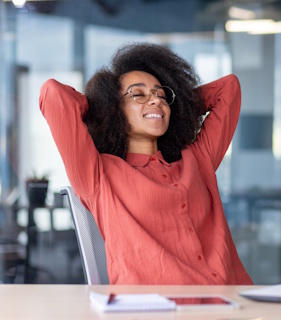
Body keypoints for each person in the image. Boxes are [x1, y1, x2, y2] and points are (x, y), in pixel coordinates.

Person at [39, 42, 253, 285]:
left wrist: (180, 100)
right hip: (154, 307)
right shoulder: (98, 175)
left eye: (162, 95)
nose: (155, 101)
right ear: (114, 108)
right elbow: (53, 94)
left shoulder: (197, 160)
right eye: (138, 95)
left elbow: (229, 88)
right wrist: (100, 106)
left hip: (231, 301)